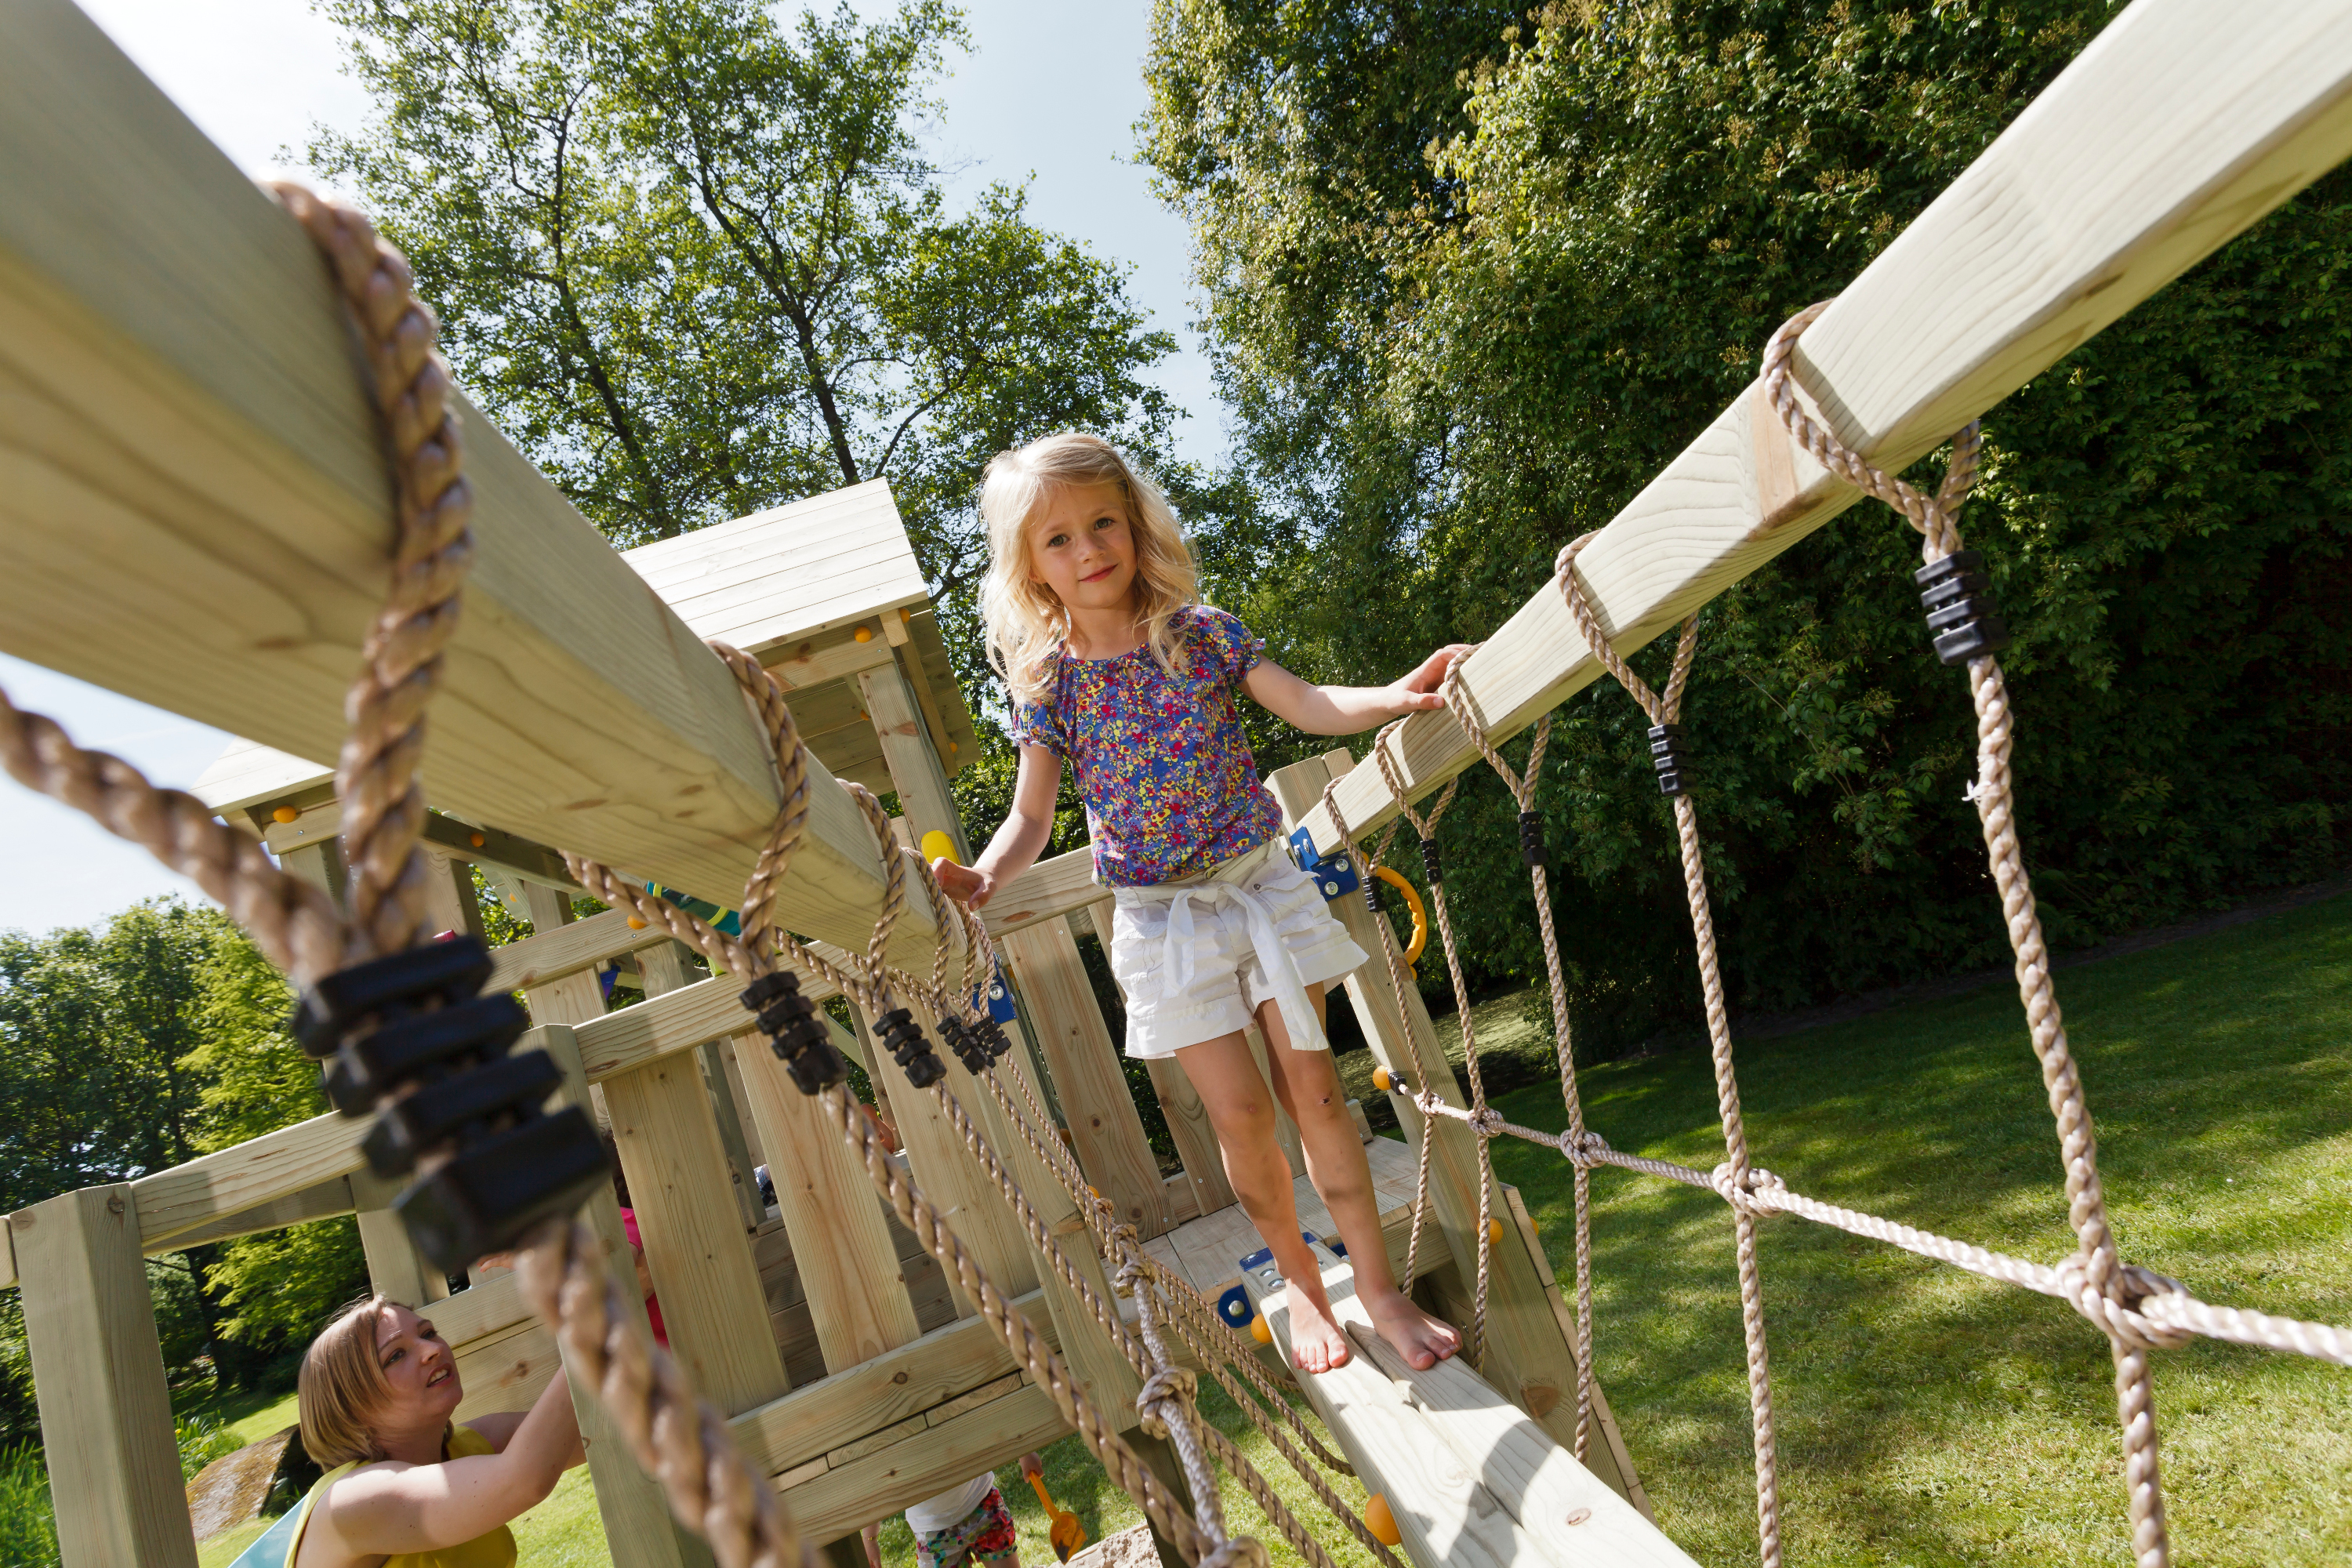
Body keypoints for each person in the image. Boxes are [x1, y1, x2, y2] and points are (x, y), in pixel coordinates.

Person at [934, 431, 1465, 1374]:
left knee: (1316, 1093)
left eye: (1103, 522)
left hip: (1259, 885)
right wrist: (985, 876)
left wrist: (1390, 694)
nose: (1088, 547)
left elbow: (1305, 704)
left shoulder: (1200, 631)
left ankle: (1378, 1287)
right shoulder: (1050, 682)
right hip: (1164, 923)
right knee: (1241, 1115)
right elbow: (1031, 812)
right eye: (1058, 538)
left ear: (1135, 525)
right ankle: (1303, 1279)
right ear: (1029, 567)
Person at [230, 1294, 585, 1567]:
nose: (432, 1350)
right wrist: (592, 1322)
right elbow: (523, 1481)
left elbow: (600, 1430)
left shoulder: (472, 1445)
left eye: (429, 1333)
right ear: (351, 1406)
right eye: (395, 1356)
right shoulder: (353, 1499)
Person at [863, 1459, 1033, 1568]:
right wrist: (870, 1537)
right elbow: (876, 1474)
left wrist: (1025, 1452)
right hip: (932, 1531)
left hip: (981, 1502)